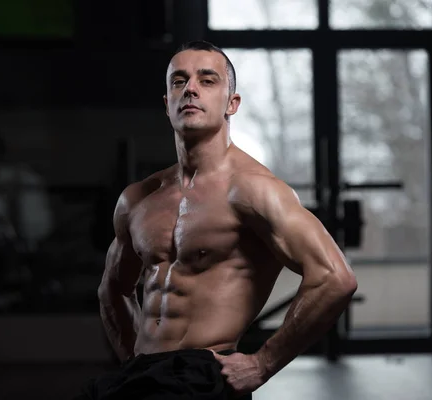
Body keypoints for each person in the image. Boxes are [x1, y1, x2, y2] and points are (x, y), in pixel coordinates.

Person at [78, 40, 358, 399]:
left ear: (232, 103)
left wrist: (262, 363)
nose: (190, 89)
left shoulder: (254, 190)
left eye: (207, 80)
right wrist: (135, 360)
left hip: (203, 374)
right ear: (167, 104)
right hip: (143, 375)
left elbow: (336, 278)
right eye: (179, 81)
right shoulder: (139, 198)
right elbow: (112, 290)